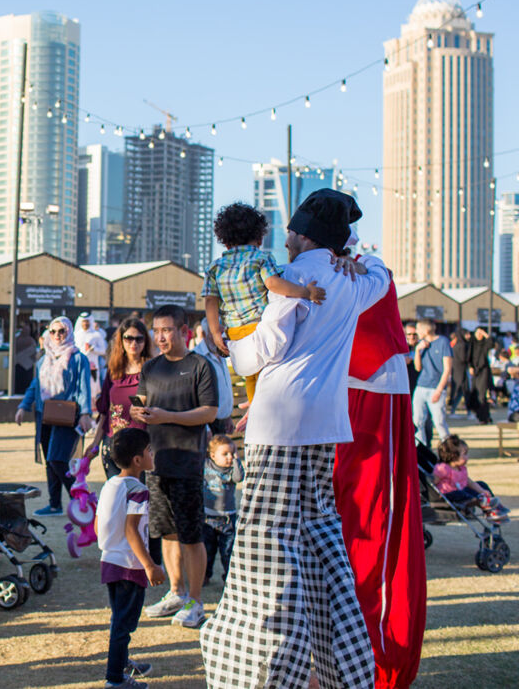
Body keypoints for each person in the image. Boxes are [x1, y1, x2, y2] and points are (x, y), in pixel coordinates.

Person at [202, 188, 389, 689]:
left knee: (267, 549)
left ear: (303, 234)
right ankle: (344, 669)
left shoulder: (295, 277)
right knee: (321, 537)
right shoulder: (353, 279)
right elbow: (383, 275)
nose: (283, 237)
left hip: (280, 423)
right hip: (325, 427)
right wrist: (356, 258)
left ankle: (262, 671)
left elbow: (263, 348)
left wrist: (230, 347)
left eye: (289, 230)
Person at [334, 235, 427, 689]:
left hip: (371, 396)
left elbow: (375, 281)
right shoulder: (319, 274)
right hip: (337, 398)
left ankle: (377, 656)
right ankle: (346, 656)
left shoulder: (369, 270)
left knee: (373, 531)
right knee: (340, 531)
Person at [135, 304, 219, 630]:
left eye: (167, 330)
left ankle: (196, 602)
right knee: (166, 532)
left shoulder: (200, 366)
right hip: (157, 462)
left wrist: (168, 416)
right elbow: (143, 404)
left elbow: (209, 412)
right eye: (156, 331)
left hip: (187, 462)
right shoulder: (150, 367)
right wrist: (139, 413)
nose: (160, 337)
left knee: (191, 534)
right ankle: (176, 591)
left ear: (183, 331)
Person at [202, 202, 326, 402]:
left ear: (225, 242)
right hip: (259, 328)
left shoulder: (215, 267)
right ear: (259, 238)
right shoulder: (260, 258)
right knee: (268, 373)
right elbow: (273, 283)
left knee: (251, 376)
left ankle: (255, 407)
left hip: (235, 332)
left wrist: (216, 333)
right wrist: (306, 292)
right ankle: (265, 407)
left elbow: (210, 301)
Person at [95, 427, 165, 689]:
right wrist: (150, 565)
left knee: (120, 619)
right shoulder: (138, 489)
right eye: (149, 450)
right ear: (138, 460)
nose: (152, 454)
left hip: (110, 561)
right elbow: (131, 530)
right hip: (129, 565)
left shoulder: (110, 484)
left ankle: (122, 663)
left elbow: (98, 525)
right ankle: (115, 679)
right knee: (123, 625)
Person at [16, 317, 93, 516]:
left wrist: (85, 413)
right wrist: (23, 406)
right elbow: (35, 385)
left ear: (69, 332)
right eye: (53, 331)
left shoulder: (78, 358)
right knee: (50, 462)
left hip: (67, 414)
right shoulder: (44, 359)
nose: (57, 335)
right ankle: (54, 504)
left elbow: (83, 387)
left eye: (61, 331)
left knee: (57, 459)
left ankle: (81, 501)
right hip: (45, 414)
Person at [86, 319, 153, 479]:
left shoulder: (152, 370)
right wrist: (95, 443)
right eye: (128, 338)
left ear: (145, 341)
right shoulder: (114, 370)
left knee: (138, 493)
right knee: (117, 491)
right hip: (113, 444)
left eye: (139, 339)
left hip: (140, 447)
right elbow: (105, 412)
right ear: (121, 341)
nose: (133, 343)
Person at [432, 437, 509, 522]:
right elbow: (433, 482)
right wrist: (435, 494)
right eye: (464, 454)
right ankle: (482, 502)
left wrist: (482, 491)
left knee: (481, 484)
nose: (467, 457)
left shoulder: (461, 468)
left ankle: (493, 509)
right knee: (460, 494)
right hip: (449, 495)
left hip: (462, 492)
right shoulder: (443, 469)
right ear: (453, 456)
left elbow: (470, 483)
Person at [201, 434, 242, 588]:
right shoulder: (206, 466)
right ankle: (205, 575)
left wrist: (237, 460)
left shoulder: (232, 470)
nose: (229, 457)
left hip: (227, 518)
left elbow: (239, 478)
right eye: (225, 454)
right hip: (208, 518)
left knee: (227, 551)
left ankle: (229, 578)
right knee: (207, 550)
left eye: (232, 453)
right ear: (212, 456)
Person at [411, 319, 452, 446]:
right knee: (417, 421)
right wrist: (417, 350)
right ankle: (420, 449)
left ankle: (449, 448)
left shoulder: (443, 342)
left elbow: (447, 369)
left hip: (436, 388)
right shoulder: (421, 344)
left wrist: (439, 390)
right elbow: (418, 368)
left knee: (439, 422)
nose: (417, 332)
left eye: (418, 329)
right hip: (421, 387)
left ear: (426, 330)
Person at [467, 326, 495, 424]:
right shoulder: (472, 343)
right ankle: (484, 415)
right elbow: (468, 356)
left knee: (482, 395)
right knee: (475, 394)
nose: (479, 335)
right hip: (475, 371)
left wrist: (484, 334)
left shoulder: (484, 344)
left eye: (481, 334)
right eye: (477, 333)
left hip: (484, 371)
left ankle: (484, 417)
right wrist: (470, 366)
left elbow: (491, 343)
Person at [447, 329, 470, 416]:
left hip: (456, 370)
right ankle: (467, 412)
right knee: (464, 391)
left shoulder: (456, 345)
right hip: (462, 371)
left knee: (459, 391)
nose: (468, 336)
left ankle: (453, 410)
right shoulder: (463, 345)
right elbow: (464, 358)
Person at [402, 323, 419, 391]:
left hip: (417, 381)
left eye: (414, 334)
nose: (412, 337)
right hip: (404, 380)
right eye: (409, 334)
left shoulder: (422, 346)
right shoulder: (401, 347)